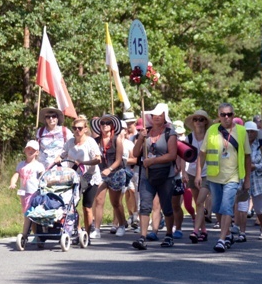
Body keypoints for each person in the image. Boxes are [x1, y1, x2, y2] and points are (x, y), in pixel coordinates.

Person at [195, 103, 251, 253]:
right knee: (217, 207)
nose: (227, 117)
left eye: (230, 114)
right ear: (218, 116)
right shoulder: (212, 130)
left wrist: (247, 179)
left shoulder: (241, 131)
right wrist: (199, 174)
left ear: (233, 115)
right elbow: (202, 153)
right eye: (223, 114)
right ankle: (227, 234)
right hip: (214, 176)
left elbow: (247, 156)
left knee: (227, 206)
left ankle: (221, 239)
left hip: (232, 176)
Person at [131, 103, 178, 250]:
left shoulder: (170, 133)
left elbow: (172, 155)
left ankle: (169, 235)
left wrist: (153, 160)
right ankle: (142, 237)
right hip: (147, 174)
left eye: (160, 114)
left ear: (165, 116)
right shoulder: (146, 132)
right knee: (145, 206)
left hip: (166, 175)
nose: (157, 117)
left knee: (166, 206)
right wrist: (140, 138)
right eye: (154, 114)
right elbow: (135, 153)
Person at [57, 116, 101, 237]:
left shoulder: (90, 142)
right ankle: (78, 229)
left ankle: (87, 233)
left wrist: (84, 163)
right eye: (75, 128)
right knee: (71, 205)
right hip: (74, 176)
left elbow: (98, 159)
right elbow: (62, 154)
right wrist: (58, 159)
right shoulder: (70, 142)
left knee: (87, 207)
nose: (77, 130)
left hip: (90, 176)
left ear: (85, 129)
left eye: (80, 128)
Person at [235, 122, 262, 241]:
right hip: (242, 178)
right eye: (247, 131)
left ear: (256, 133)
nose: (249, 133)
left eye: (252, 131)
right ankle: (242, 232)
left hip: (259, 179)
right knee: (242, 206)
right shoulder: (239, 145)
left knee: (259, 208)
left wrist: (255, 166)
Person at [90, 114, 126, 238]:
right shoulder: (96, 141)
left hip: (116, 173)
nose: (105, 125)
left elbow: (119, 159)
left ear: (112, 126)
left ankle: (121, 225)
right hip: (101, 174)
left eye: (108, 123)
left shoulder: (117, 140)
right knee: (99, 200)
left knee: (115, 202)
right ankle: (97, 230)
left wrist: (109, 169)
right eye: (102, 123)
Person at [185, 109, 212, 244]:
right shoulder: (189, 138)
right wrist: (183, 172)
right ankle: (204, 231)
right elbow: (182, 155)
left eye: (201, 119)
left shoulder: (210, 137)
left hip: (207, 173)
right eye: (196, 119)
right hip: (192, 172)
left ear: (205, 122)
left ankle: (195, 231)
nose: (198, 122)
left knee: (201, 201)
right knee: (198, 203)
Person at [9, 140, 44, 240]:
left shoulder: (39, 165)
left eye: (33, 149)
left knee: (29, 214)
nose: (30, 151)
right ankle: (36, 235)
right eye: (28, 149)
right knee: (28, 214)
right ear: (25, 150)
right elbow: (16, 175)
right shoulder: (21, 164)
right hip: (23, 193)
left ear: (37, 152)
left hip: (34, 193)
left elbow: (42, 178)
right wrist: (13, 182)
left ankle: (24, 234)